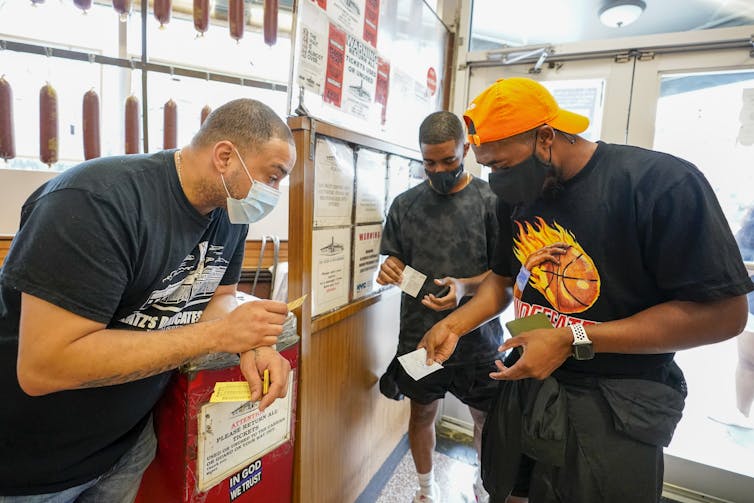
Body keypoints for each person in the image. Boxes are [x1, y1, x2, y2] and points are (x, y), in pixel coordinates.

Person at [418, 78, 753, 503]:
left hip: (617, 402)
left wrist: (572, 337)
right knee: (512, 489)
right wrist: (455, 323)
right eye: (487, 166)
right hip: (530, 384)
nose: (495, 180)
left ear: (545, 137)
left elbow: (724, 315)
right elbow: (502, 282)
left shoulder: (658, 184)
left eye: (502, 166)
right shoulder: (517, 196)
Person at [0, 98, 296, 502]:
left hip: (126, 445)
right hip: (34, 461)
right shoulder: (96, 202)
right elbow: (44, 366)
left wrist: (253, 342)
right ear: (225, 157)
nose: (273, 193)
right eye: (273, 177)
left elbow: (219, 296)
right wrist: (219, 337)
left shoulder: (230, 215)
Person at [377, 111, 503, 503]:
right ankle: (425, 491)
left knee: (485, 420)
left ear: (466, 149)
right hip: (420, 337)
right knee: (421, 412)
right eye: (429, 162)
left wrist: (464, 288)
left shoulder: (491, 202)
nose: (439, 170)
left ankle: (483, 491)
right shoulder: (405, 205)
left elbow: (508, 277)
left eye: (449, 161)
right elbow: (394, 265)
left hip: (480, 338)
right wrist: (389, 268)